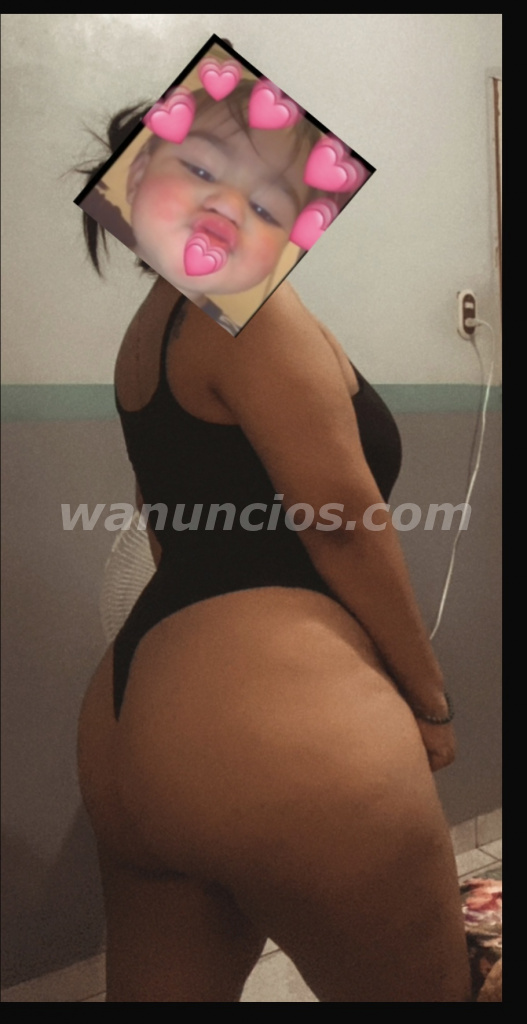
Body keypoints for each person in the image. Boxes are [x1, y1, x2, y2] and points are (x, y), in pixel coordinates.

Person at [76, 91, 472, 1002]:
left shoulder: (147, 334)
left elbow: (165, 531)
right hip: (272, 726)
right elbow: (339, 519)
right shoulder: (244, 303)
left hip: (130, 725)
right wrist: (429, 700)